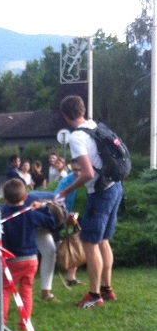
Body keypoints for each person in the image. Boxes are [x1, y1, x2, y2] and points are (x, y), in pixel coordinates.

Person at [56, 94, 124, 308]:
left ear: (65, 116)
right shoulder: (95, 126)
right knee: (103, 240)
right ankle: (107, 289)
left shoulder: (77, 137)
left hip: (100, 192)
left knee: (90, 242)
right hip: (115, 187)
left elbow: (85, 173)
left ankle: (94, 296)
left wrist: (65, 192)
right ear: (83, 110)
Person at [0, 179, 58, 331]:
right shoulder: (31, 214)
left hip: (11, 260)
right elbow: (51, 222)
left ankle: (0, 323)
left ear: (5, 200)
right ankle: (24, 324)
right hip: (31, 260)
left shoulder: (3, 216)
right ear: (25, 197)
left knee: (5, 290)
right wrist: (43, 207)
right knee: (26, 290)